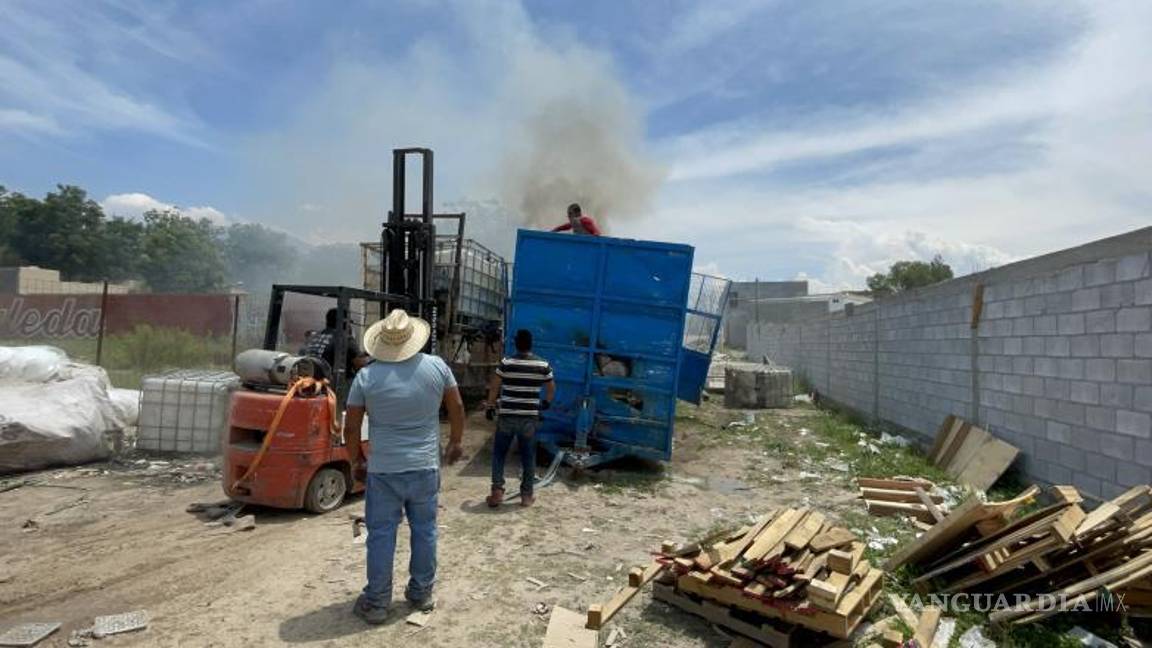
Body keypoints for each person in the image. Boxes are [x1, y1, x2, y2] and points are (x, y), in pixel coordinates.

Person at [344, 308, 465, 625]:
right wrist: (456, 441)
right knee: (425, 531)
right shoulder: (437, 367)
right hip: (425, 466)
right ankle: (420, 592)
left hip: (384, 470)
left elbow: (352, 427)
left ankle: (378, 603)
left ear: (382, 342)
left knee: (382, 535)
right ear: (413, 339)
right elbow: (457, 406)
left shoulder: (366, 377)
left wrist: (355, 460)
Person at [483, 329, 554, 508]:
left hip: (507, 416)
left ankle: (497, 491)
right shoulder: (542, 364)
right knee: (528, 456)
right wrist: (545, 404)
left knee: (499, 454)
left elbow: (494, 386)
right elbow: (551, 388)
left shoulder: (506, 363)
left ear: (516, 344)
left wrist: (490, 406)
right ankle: (526, 496)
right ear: (531, 344)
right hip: (529, 419)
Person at [298, 308, 368, 378]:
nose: (349, 325)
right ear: (344, 322)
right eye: (349, 322)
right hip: (332, 383)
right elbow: (360, 364)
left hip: (310, 379)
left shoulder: (315, 336)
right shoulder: (344, 338)